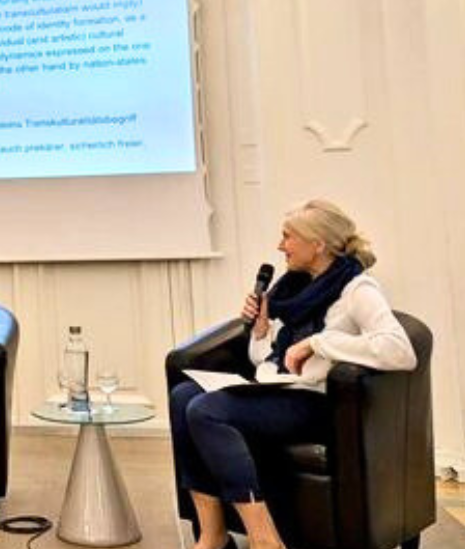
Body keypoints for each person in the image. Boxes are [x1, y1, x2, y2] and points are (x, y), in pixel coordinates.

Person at [169, 199, 416, 549]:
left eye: (288, 237)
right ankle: (213, 535)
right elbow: (269, 359)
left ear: (317, 244)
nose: (280, 245)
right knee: (183, 397)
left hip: (313, 401)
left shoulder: (357, 289)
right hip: (275, 388)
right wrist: (259, 330)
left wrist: (320, 343)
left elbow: (400, 350)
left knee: (205, 410)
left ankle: (265, 539)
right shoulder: (291, 289)